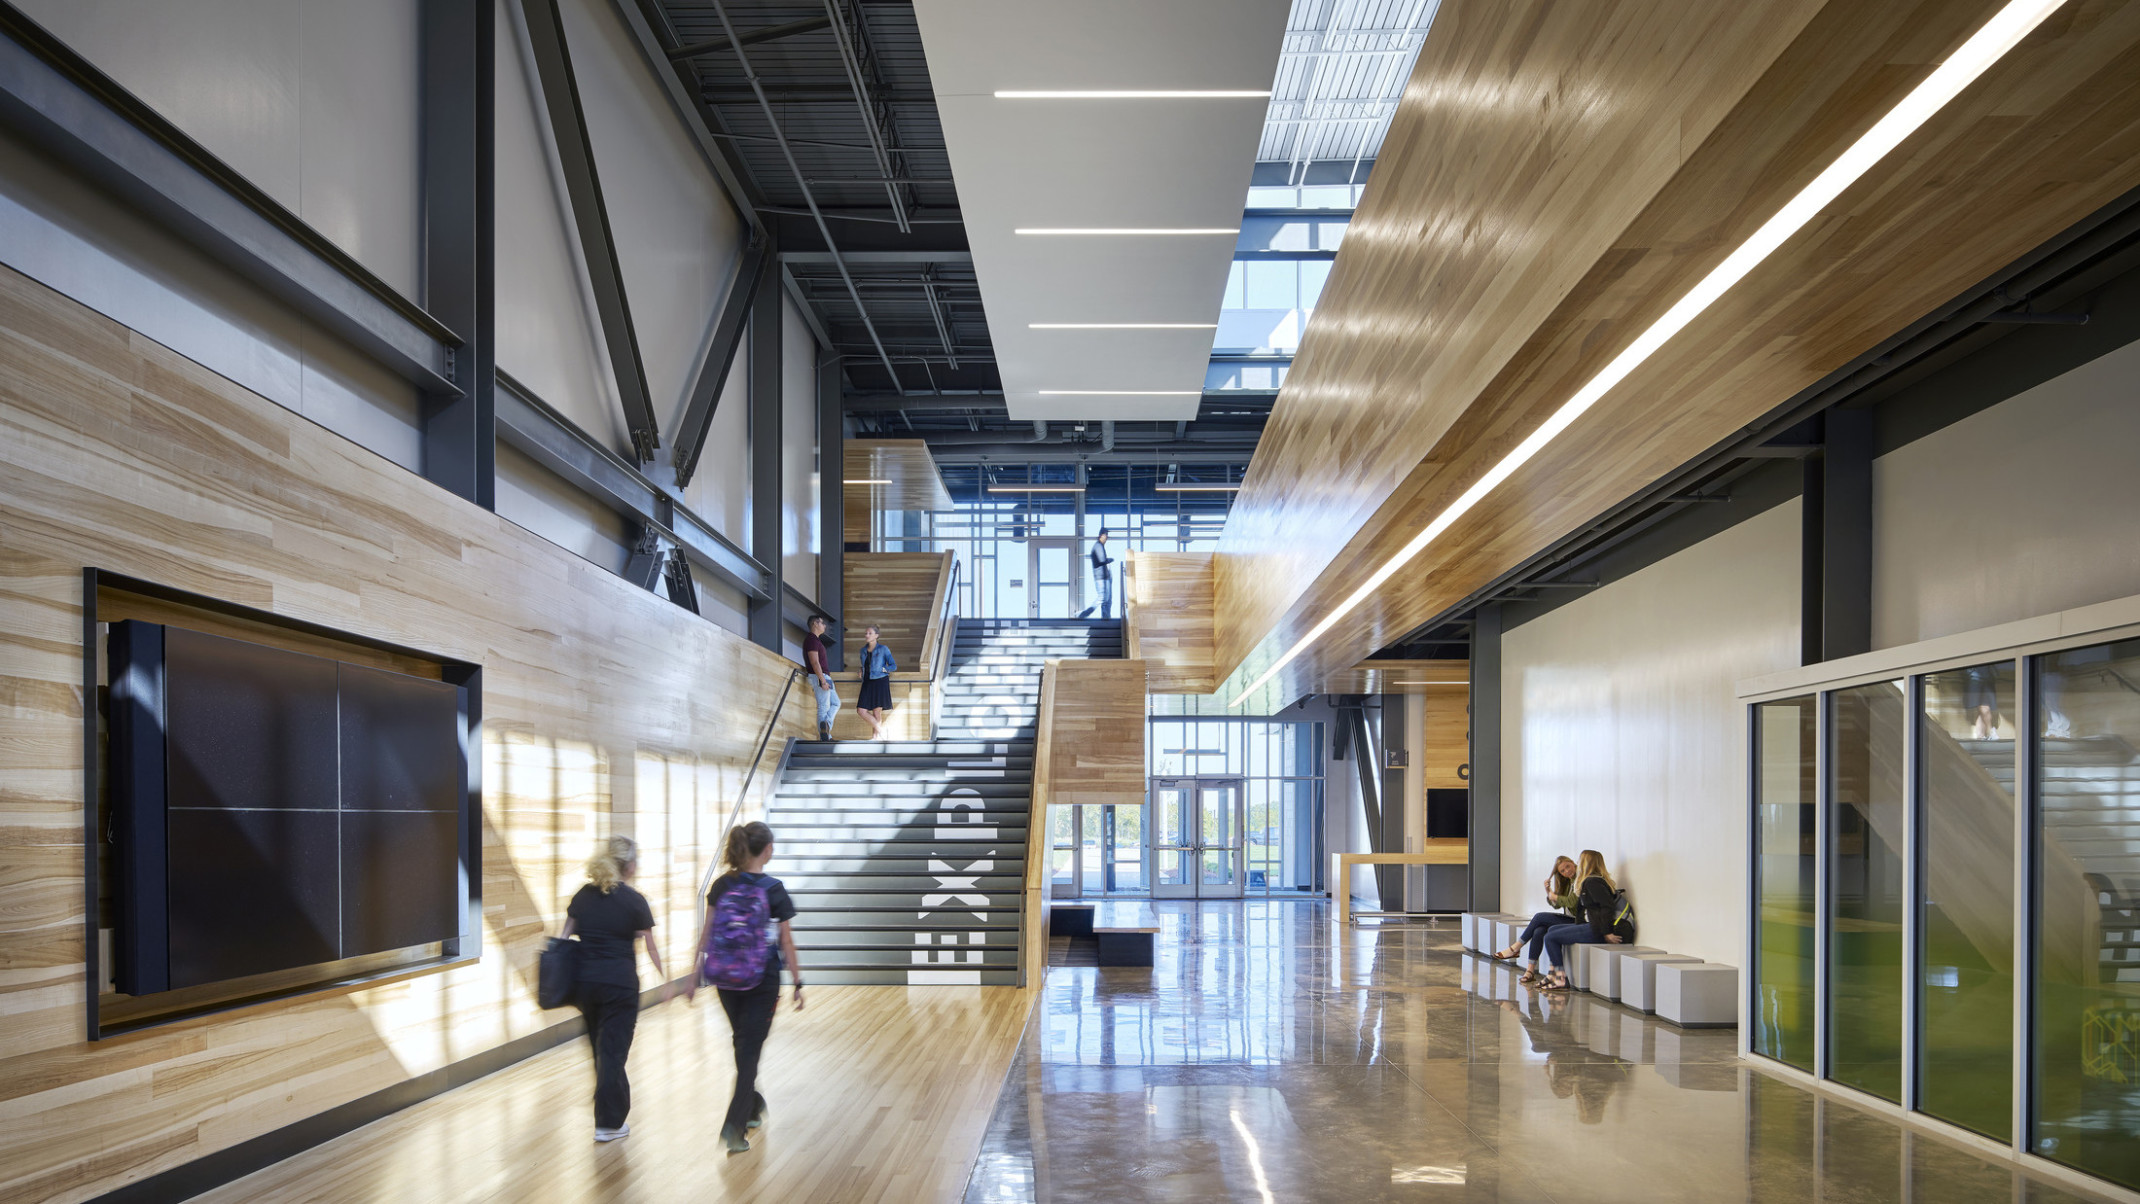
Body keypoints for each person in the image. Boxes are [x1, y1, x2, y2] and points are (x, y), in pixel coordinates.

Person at [700, 821, 803, 1155]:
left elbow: (707, 932)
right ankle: (734, 1126)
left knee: (743, 1046)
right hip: (762, 980)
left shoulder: (720, 886)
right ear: (767, 850)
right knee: (748, 1051)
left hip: (726, 980)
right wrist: (798, 982)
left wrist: (692, 974)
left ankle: (754, 1106)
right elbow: (786, 940)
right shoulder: (774, 888)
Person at [562, 834, 673, 1143]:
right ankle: (608, 1122)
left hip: (586, 985)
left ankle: (609, 1111)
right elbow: (651, 947)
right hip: (619, 986)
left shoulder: (582, 896)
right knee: (612, 1052)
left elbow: (563, 938)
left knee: (601, 1051)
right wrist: (666, 983)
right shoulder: (634, 900)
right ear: (631, 866)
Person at [1540, 849, 1635, 990]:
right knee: (1553, 930)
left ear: (1586, 863)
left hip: (1603, 930)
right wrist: (1578, 928)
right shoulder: (1589, 881)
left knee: (1550, 937)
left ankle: (1560, 979)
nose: (1578, 863)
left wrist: (1607, 933)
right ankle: (1554, 974)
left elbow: (1606, 907)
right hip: (1596, 926)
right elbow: (1583, 911)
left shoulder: (1592, 882)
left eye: (1580, 860)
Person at [1491, 854, 1584, 983]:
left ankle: (1515, 948)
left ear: (1573, 863)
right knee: (1539, 930)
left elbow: (1572, 902)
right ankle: (1530, 970)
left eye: (1568, 867)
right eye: (1563, 871)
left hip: (1579, 921)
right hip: (1570, 918)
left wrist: (1555, 897)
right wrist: (1549, 892)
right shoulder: (1569, 881)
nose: (1567, 871)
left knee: (1539, 917)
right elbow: (1557, 905)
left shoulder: (1581, 879)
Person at [855, 624, 896, 740]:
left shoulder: (883, 649)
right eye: (866, 633)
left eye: (870, 633)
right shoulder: (862, 650)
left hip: (880, 681)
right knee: (861, 710)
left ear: (876, 636)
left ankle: (875, 738)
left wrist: (885, 669)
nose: (866, 635)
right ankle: (882, 731)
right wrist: (860, 670)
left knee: (877, 712)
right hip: (867, 682)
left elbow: (893, 665)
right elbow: (865, 665)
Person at [803, 615, 838, 741]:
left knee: (836, 703)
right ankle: (825, 737)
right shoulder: (811, 640)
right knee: (824, 706)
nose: (824, 626)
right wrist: (822, 680)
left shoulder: (816, 640)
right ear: (815, 624)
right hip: (820, 676)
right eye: (822, 623)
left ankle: (826, 725)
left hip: (825, 676)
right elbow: (814, 662)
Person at [1088, 529, 1116, 620]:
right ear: (1101, 535)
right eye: (1106, 535)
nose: (1107, 537)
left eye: (1107, 535)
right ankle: (1082, 614)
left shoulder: (1100, 546)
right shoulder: (1098, 546)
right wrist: (1110, 560)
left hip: (1104, 576)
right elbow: (1102, 560)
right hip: (1102, 578)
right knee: (1103, 598)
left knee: (1107, 599)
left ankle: (1106, 617)